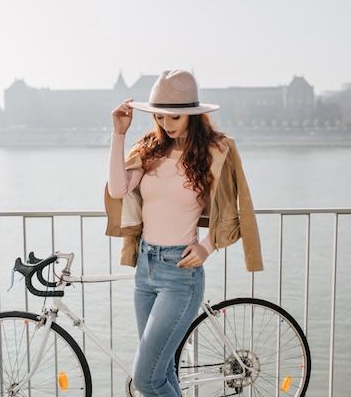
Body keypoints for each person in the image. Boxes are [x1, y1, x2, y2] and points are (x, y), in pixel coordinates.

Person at [105, 69, 263, 397]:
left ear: (193, 115)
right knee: (161, 371)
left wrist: (207, 246)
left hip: (181, 275)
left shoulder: (214, 152)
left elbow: (229, 207)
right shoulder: (149, 149)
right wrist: (118, 134)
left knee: (146, 379)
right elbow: (118, 189)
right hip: (145, 269)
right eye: (159, 116)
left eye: (174, 116)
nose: (166, 123)